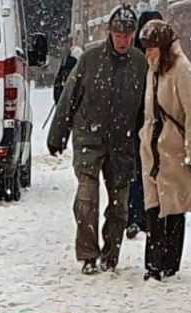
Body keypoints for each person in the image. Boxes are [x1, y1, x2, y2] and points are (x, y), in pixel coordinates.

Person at [48, 5, 148, 275]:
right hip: (89, 139)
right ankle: (88, 254)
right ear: (109, 33)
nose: (123, 40)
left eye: (128, 35)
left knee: (120, 206)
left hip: (122, 143)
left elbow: (146, 109)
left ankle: (111, 254)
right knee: (87, 200)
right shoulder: (91, 60)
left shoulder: (140, 64)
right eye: (118, 35)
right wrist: (57, 136)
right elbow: (68, 98)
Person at [138, 19, 191, 282]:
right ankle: (153, 264)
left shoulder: (183, 71)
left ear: (162, 47)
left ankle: (169, 264)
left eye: (150, 48)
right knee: (153, 206)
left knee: (174, 207)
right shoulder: (153, 70)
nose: (147, 54)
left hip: (173, 150)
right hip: (153, 149)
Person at [125, 7, 163, 240]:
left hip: (157, 126)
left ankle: (148, 217)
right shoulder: (136, 59)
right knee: (137, 173)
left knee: (151, 173)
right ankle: (135, 217)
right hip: (138, 125)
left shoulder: (166, 60)